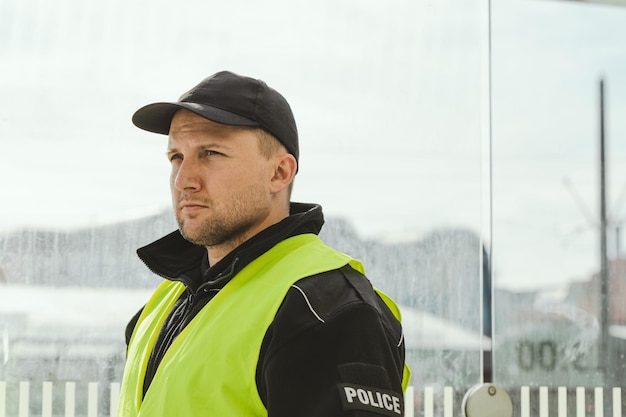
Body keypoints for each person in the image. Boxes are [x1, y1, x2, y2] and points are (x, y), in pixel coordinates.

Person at [118, 70, 411, 417]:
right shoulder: (166, 301)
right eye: (176, 157)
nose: (183, 180)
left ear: (279, 174)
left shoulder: (327, 310)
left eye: (210, 153)